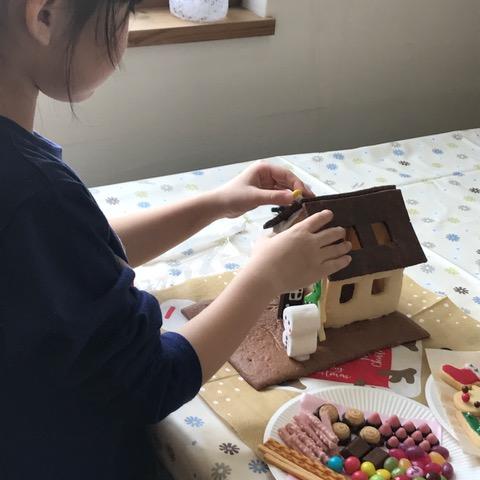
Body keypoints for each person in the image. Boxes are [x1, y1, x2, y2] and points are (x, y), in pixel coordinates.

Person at [0, 1, 352, 479]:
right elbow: (150, 383)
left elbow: (74, 254)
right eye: (121, 12)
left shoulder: (25, 182)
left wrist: (215, 203)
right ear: (43, 15)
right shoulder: (36, 194)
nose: (123, 37)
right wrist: (265, 276)